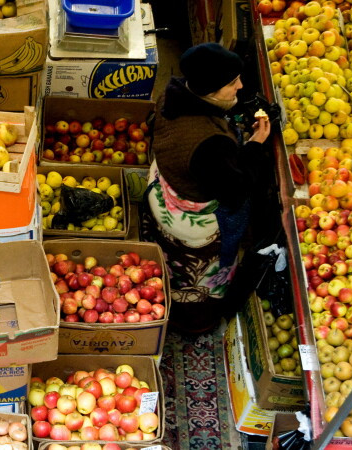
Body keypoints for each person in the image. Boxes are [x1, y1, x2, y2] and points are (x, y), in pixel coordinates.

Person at [141, 43, 272, 334]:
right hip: (191, 219)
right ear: (210, 90)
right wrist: (255, 145)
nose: (240, 85)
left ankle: (165, 291)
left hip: (166, 183)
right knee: (196, 278)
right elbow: (235, 191)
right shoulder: (209, 144)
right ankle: (192, 322)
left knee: (169, 264)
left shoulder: (173, 92)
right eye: (232, 82)